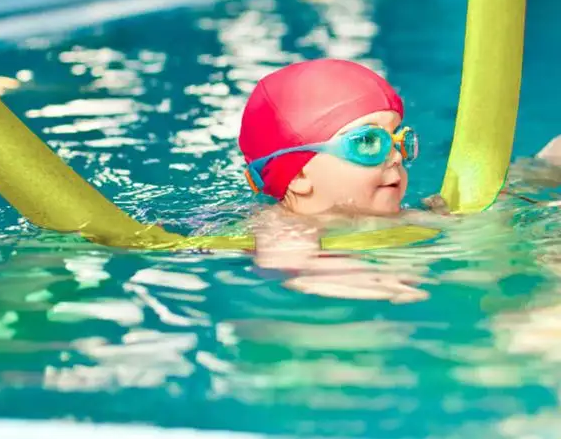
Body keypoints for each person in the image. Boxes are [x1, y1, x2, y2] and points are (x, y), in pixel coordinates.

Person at [239, 58, 561, 302]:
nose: (395, 157)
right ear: (297, 177)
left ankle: (536, 171)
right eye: (368, 143)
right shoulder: (283, 226)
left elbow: (479, 233)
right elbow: (293, 267)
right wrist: (370, 280)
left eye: (399, 142)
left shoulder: (404, 216)